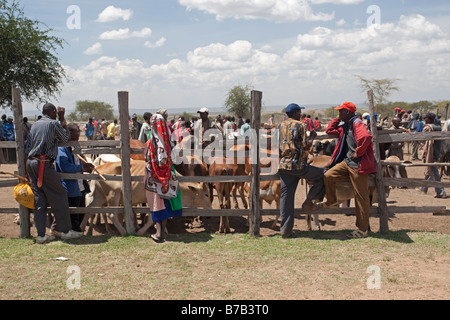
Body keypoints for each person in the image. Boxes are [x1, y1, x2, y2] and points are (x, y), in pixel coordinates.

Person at [25, 103, 84, 244]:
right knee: (60, 195)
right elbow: (65, 139)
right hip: (43, 163)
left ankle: (40, 235)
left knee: (39, 199)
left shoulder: (34, 125)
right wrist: (62, 119)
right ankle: (65, 231)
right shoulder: (53, 124)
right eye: (56, 113)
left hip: (31, 163)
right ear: (52, 112)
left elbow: (28, 146)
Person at [322, 102, 377, 239]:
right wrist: (337, 119)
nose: (339, 114)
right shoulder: (346, 125)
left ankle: (362, 230)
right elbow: (329, 130)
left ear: (347, 112)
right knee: (328, 175)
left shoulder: (357, 123)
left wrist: (357, 153)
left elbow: (365, 137)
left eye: (341, 112)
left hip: (358, 165)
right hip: (347, 163)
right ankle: (332, 202)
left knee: (361, 197)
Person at [278, 103, 325, 238]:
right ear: (295, 114)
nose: (301, 114)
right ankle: (309, 201)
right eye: (299, 112)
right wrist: (313, 136)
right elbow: (306, 145)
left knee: (286, 198)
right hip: (298, 166)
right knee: (322, 174)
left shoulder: (280, 125)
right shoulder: (300, 126)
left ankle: (285, 231)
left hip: (284, 166)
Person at [144, 113, 182, 242]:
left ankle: (159, 233)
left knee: (157, 203)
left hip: (154, 178)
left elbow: (149, 158)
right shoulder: (169, 140)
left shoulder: (151, 139)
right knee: (165, 202)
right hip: (167, 177)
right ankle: (162, 232)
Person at [56, 123, 95, 232]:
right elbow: (65, 166)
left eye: (78, 131)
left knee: (81, 210)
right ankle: (71, 231)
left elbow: (80, 160)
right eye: (76, 131)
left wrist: (86, 165)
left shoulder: (76, 146)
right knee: (73, 212)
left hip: (80, 186)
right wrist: (82, 168)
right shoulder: (62, 148)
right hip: (70, 187)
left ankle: (76, 230)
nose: (78, 133)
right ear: (69, 133)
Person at [417, 113, 447, 199]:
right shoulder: (438, 127)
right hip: (437, 151)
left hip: (430, 152)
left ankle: (441, 191)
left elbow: (422, 139)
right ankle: (423, 187)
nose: (424, 120)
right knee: (430, 170)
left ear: (429, 119)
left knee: (434, 171)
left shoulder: (427, 128)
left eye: (425, 118)